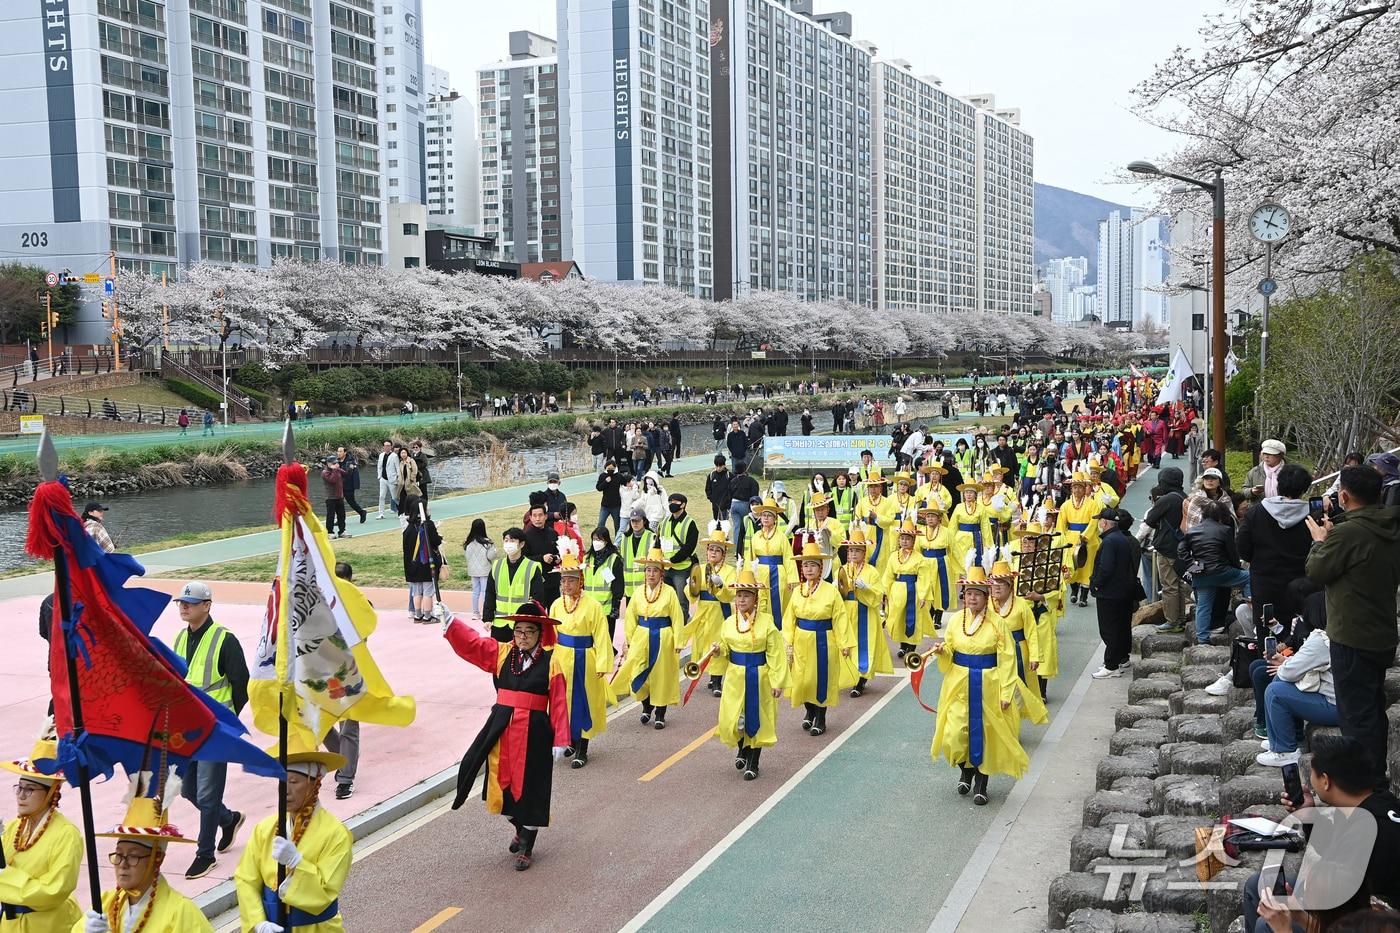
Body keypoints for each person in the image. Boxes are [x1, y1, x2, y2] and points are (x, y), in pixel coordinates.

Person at [443, 601, 568, 871]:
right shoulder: (502, 653)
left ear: (540, 633)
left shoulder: (552, 661)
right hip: (502, 728)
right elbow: (474, 645)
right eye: (518, 630)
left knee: (532, 787)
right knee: (501, 786)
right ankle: (519, 827)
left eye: (529, 631)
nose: (522, 637)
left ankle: (526, 846)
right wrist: (452, 624)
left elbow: (558, 701)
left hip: (535, 732)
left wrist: (561, 739)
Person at [1241, 735, 1400, 933]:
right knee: (1257, 885)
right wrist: (1309, 815)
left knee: (1266, 925)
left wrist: (1294, 919)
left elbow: (1346, 922)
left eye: (1312, 773)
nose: (1310, 780)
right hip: (1357, 903)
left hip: (1375, 919)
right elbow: (1335, 850)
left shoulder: (1365, 835)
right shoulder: (1375, 804)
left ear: (1325, 781)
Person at [1306, 465, 1400, 792]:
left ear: (1343, 496)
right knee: (1372, 708)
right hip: (1382, 632)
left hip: (1351, 635)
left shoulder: (1348, 534)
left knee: (1356, 715)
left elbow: (1316, 571)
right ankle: (1376, 777)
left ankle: (1365, 787)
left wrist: (1320, 541)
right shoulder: (1390, 526)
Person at [927, 566, 1036, 806]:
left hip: (988, 684)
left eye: (977, 593)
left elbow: (1007, 659)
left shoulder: (998, 624)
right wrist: (942, 651)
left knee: (986, 735)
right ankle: (965, 771)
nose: (972, 598)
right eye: (968, 593)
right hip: (959, 684)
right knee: (955, 734)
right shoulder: (956, 621)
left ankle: (981, 783)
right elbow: (950, 648)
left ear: (986, 597)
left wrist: (1006, 692)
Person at [233, 735, 351, 932]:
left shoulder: (336, 833)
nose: (285, 790)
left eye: (294, 781)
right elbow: (246, 878)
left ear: (314, 784)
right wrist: (257, 922)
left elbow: (325, 893)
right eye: (282, 782)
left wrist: (298, 863)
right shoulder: (264, 829)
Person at [171, 580, 247, 880]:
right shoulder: (180, 637)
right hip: (188, 730)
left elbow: (241, 684)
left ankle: (205, 854)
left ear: (207, 606)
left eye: (190, 602)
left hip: (215, 731)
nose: (184, 606)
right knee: (188, 789)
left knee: (207, 792)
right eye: (181, 602)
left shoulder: (224, 639)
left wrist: (227, 722)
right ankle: (228, 819)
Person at [86, 789, 213, 932]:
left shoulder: (181, 913)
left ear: (158, 859)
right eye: (119, 855)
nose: (122, 864)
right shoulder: (103, 904)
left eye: (133, 856)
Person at [0, 734, 82, 930]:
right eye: (19, 788)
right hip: (10, 924)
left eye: (29, 789)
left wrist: (4, 878)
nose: (21, 796)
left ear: (51, 794)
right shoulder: (12, 828)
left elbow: (54, 891)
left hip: (48, 925)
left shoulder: (67, 834)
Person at [714, 569, 789, 780]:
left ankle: (753, 762)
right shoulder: (729, 623)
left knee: (757, 719)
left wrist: (777, 681)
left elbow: (776, 654)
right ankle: (742, 748)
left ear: (755, 599)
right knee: (734, 719)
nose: (741, 600)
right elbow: (725, 648)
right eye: (739, 595)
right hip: (735, 678)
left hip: (759, 676)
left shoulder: (767, 623)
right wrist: (719, 650)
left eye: (746, 595)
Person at [783, 541, 854, 737]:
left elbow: (840, 618)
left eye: (813, 565)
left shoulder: (831, 591)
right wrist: (787, 640)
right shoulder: (797, 591)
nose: (809, 569)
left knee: (821, 680)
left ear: (821, 568)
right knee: (802, 680)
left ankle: (820, 717)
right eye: (805, 565)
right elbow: (789, 619)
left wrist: (844, 643)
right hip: (801, 641)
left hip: (824, 640)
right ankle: (810, 710)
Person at [613, 548, 688, 729]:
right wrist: (629, 641)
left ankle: (660, 712)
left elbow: (677, 617)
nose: (651, 574)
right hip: (641, 636)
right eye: (648, 570)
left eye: (655, 570)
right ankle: (646, 705)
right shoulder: (639, 592)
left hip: (663, 636)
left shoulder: (669, 592)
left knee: (661, 676)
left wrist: (679, 640)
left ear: (662, 573)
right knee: (637, 673)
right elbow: (630, 617)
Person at [549, 554, 612, 769]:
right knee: (564, 702)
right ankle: (570, 740)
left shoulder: (593, 606)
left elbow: (601, 635)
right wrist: (549, 658)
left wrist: (603, 663)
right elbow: (551, 635)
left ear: (581, 581)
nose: (566, 585)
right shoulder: (556, 605)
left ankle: (582, 748)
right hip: (562, 659)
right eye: (563, 580)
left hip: (585, 659)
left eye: (571, 580)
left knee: (584, 702)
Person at [1237, 463, 1314, 635]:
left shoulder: (1256, 512)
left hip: (1265, 581)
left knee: (1266, 631)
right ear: (1304, 489)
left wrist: (1258, 560)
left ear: (1279, 484)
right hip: (1300, 583)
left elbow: (1242, 547)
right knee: (1299, 633)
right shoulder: (1312, 516)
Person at [1256, 608, 1337, 767]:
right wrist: (1285, 662)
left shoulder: (1321, 639)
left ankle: (1285, 751)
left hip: (1335, 705)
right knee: (1275, 680)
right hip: (1339, 700)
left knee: (1275, 691)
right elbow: (1297, 665)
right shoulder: (1331, 636)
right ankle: (1289, 738)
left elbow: (1289, 673)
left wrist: (1283, 664)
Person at [1181, 499, 1252, 645]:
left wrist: (1193, 566)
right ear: (1222, 515)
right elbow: (1232, 554)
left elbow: (1181, 550)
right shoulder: (1225, 530)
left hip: (1201, 573)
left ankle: (1202, 640)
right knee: (1249, 577)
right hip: (1221, 571)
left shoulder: (1192, 531)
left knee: (1203, 606)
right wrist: (1237, 569)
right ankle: (1251, 608)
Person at [988, 559, 1048, 719]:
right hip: (994, 651)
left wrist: (1034, 656)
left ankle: (1014, 721)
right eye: (994, 583)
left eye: (1002, 583)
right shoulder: (987, 605)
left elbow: (1031, 632)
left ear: (1010, 586)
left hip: (1018, 650)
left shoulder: (1022, 605)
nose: (997, 587)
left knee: (1017, 688)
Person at [323, 562, 362, 800]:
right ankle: (346, 757)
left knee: (348, 727)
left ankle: (345, 779)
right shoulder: (319, 607)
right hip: (321, 675)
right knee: (318, 724)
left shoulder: (359, 605)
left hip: (349, 675)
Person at [834, 527, 889, 697]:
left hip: (864, 611)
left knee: (864, 644)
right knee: (847, 644)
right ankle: (850, 675)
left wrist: (867, 588)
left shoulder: (871, 571)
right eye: (851, 550)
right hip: (846, 611)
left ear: (864, 552)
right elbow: (837, 594)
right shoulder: (841, 570)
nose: (853, 554)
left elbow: (879, 593)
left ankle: (860, 679)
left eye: (857, 550)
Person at [686, 530, 737, 697]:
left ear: (723, 554)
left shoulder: (729, 571)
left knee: (717, 643)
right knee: (702, 643)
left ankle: (717, 680)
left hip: (719, 611)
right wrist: (691, 586)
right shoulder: (699, 569)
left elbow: (731, 593)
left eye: (717, 550)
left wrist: (721, 586)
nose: (713, 553)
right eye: (711, 549)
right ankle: (708, 673)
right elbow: (692, 595)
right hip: (703, 611)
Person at [1089, 508, 1136, 679]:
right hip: (1122, 590)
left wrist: (1096, 584)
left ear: (1104, 523)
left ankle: (1111, 665)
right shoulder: (1121, 538)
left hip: (1109, 592)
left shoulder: (1109, 541)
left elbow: (1106, 568)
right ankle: (1121, 658)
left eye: (1099, 520)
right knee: (1121, 626)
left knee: (1109, 629)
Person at [1143, 467, 1188, 634]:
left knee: (1169, 585)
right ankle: (1180, 618)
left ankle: (1171, 621)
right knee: (1179, 584)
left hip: (1167, 547)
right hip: (1182, 547)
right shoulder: (1184, 496)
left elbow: (1150, 519)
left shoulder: (1167, 499)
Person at [883, 520, 931, 660]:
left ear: (913, 540)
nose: (904, 541)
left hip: (912, 590)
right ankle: (902, 646)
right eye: (902, 538)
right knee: (899, 618)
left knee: (913, 619)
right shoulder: (894, 556)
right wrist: (885, 592)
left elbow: (923, 578)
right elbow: (888, 575)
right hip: (897, 591)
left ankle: (911, 647)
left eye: (907, 539)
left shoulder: (920, 558)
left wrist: (922, 595)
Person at [483, 528, 541, 642]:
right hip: (500, 623)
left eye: (513, 540)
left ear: (522, 544)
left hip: (522, 625)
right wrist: (487, 618)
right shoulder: (497, 566)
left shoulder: (532, 567)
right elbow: (490, 594)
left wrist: (532, 622)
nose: (508, 543)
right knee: (499, 652)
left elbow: (538, 598)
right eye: (506, 540)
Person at [745, 498, 795, 630]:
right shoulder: (756, 536)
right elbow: (750, 557)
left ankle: (779, 630)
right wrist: (747, 577)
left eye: (769, 515)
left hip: (778, 574)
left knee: (778, 604)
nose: (766, 518)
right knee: (761, 603)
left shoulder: (782, 537)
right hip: (760, 575)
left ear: (775, 518)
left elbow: (788, 557)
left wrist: (792, 579)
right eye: (763, 515)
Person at [1057, 473, 1101, 607]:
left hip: (1088, 539)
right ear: (1071, 489)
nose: (1077, 490)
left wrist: (1085, 536)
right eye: (1075, 487)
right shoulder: (1065, 505)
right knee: (1072, 566)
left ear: (1085, 488)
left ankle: (1084, 596)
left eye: (1080, 487)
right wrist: (1062, 538)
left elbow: (1094, 522)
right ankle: (1074, 591)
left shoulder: (1093, 504)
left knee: (1087, 567)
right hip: (1071, 539)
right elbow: (1061, 524)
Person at [402, 499, 445, 624]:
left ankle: (418, 614)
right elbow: (435, 541)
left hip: (412, 564)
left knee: (417, 591)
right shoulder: (428, 525)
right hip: (426, 563)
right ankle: (427, 616)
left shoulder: (409, 527)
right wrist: (439, 537)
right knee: (428, 591)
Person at [659, 493, 700, 618]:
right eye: (670, 502)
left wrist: (673, 559)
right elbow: (658, 541)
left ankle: (683, 624)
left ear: (683, 505)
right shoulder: (664, 522)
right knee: (665, 600)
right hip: (666, 568)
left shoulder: (690, 523)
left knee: (682, 601)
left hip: (682, 568)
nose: (672, 504)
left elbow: (689, 547)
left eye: (675, 502)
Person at [583, 527, 626, 641]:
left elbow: (618, 586)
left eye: (599, 539)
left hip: (606, 610)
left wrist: (615, 608)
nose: (596, 542)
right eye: (594, 539)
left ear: (606, 541)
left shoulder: (614, 559)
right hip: (589, 609)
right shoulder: (587, 559)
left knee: (606, 642)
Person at [522, 498, 562, 607]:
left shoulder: (553, 533)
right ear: (530, 517)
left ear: (546, 516)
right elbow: (524, 559)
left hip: (553, 581)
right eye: (534, 516)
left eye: (540, 515)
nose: (537, 519)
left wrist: (558, 558)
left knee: (554, 611)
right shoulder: (526, 536)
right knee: (539, 612)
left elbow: (560, 552)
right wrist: (541, 558)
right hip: (536, 582)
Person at [462, 519, 498, 621]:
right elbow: (491, 556)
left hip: (473, 571)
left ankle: (475, 613)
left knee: (475, 592)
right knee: (485, 592)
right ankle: (485, 612)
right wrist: (495, 551)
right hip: (485, 570)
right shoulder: (487, 543)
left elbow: (467, 557)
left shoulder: (468, 543)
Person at [618, 510, 653, 602]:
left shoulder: (651, 536)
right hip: (629, 587)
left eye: (638, 521)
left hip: (645, 586)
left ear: (644, 521)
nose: (635, 523)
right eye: (633, 521)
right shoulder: (625, 538)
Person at [726, 460, 761, 551]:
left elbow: (728, 495)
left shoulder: (732, 481)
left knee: (737, 527)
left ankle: (737, 549)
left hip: (733, 505)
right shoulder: (751, 481)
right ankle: (749, 547)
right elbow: (754, 496)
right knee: (748, 525)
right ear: (745, 469)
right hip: (745, 504)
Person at [335, 446, 366, 525]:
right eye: (338, 451)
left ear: (345, 452)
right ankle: (340, 520)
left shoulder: (350, 461)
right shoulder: (337, 461)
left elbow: (348, 473)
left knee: (351, 502)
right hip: (339, 485)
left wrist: (338, 469)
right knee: (339, 503)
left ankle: (362, 512)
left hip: (348, 484)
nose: (338, 453)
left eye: (340, 451)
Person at [595, 459, 627, 533]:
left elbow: (625, 482)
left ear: (615, 468)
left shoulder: (618, 476)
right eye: (608, 468)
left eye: (612, 469)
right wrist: (606, 481)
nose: (610, 470)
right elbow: (598, 488)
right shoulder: (602, 476)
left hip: (616, 505)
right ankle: (599, 537)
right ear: (605, 468)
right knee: (601, 524)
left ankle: (617, 539)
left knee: (617, 525)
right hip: (605, 505)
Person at [321, 457, 348, 539]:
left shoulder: (337, 470)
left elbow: (346, 474)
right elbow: (333, 480)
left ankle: (342, 531)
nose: (336, 465)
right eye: (334, 463)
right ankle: (330, 532)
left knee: (341, 515)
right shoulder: (325, 472)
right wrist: (335, 470)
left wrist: (351, 468)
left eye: (336, 463)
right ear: (328, 464)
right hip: (330, 497)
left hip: (339, 496)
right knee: (331, 515)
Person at [375, 441, 400, 519]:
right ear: (383, 446)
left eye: (388, 446)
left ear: (391, 447)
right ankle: (381, 513)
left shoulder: (394, 456)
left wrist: (397, 478)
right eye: (385, 446)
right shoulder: (381, 455)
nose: (387, 447)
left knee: (395, 497)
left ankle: (401, 512)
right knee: (381, 496)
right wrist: (379, 477)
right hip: (383, 479)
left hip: (392, 479)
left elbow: (397, 468)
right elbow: (379, 466)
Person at [704, 455, 731, 526]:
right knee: (716, 523)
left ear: (724, 465)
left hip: (725, 505)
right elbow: (708, 489)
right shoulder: (711, 475)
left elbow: (732, 489)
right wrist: (711, 498)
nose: (718, 468)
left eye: (720, 466)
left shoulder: (729, 475)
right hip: (715, 504)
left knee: (724, 523)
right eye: (717, 466)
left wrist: (728, 500)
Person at [396, 447, 421, 518]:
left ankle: (415, 511)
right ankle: (402, 513)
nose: (403, 454)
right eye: (402, 453)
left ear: (407, 453)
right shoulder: (401, 462)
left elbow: (415, 470)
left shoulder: (411, 460)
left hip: (410, 482)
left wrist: (412, 479)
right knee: (402, 498)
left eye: (404, 453)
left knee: (412, 497)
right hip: (402, 483)